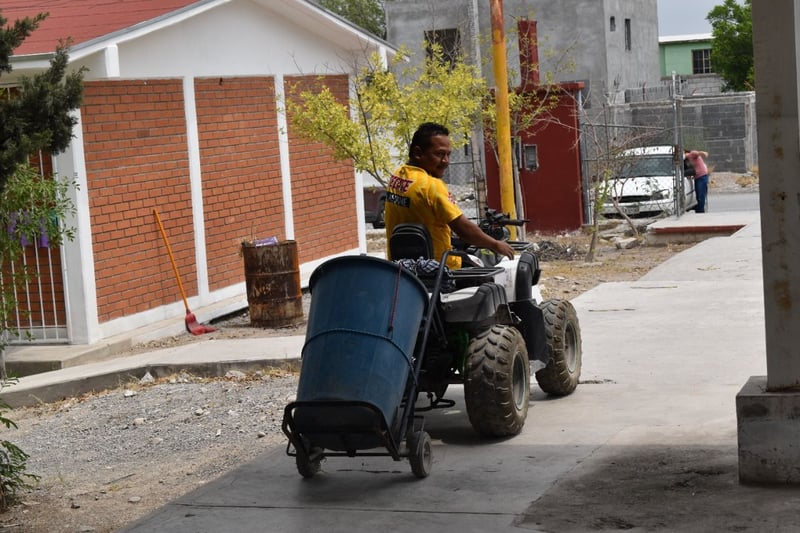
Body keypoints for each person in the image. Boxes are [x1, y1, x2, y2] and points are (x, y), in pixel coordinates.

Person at [384, 122, 515, 269]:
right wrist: (496, 244)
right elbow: (463, 230)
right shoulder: (431, 186)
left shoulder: (397, 176)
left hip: (402, 267)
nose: (446, 161)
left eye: (448, 154)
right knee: (496, 273)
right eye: (439, 154)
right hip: (439, 270)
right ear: (418, 153)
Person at [684, 148, 710, 213]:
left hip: (702, 176)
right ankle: (700, 209)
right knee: (698, 194)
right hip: (697, 177)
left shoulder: (691, 154)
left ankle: (701, 211)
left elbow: (697, 153)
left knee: (701, 194)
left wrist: (703, 153)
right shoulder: (688, 160)